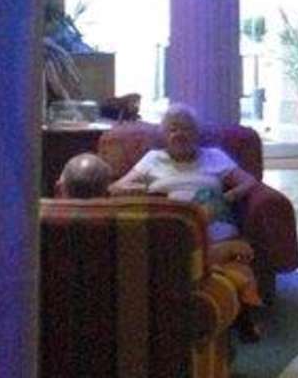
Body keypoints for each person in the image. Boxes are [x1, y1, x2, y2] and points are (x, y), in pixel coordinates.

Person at [107, 105, 264, 338]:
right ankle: (216, 277)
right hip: (171, 231)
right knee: (225, 255)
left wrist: (228, 196)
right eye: (173, 129)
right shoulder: (152, 159)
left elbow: (249, 181)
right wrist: (142, 191)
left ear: (196, 133)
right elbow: (116, 187)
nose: (179, 134)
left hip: (214, 230)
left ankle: (225, 292)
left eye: (186, 129)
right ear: (164, 135)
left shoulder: (215, 157)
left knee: (230, 255)